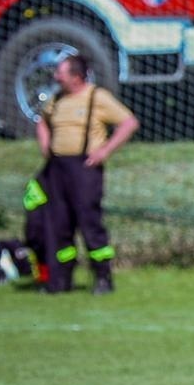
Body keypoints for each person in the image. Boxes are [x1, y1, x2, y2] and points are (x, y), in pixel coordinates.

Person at [31, 54, 138, 295]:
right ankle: (60, 279)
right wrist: (46, 146)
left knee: (89, 223)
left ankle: (102, 277)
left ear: (76, 77)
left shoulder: (96, 97)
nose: (56, 77)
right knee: (59, 224)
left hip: (84, 170)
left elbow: (129, 122)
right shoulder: (57, 99)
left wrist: (105, 151)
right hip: (57, 170)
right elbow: (41, 122)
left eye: (61, 72)